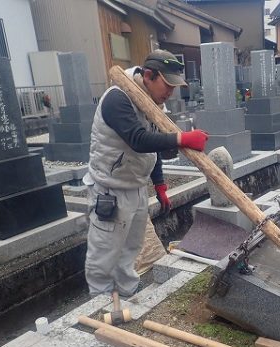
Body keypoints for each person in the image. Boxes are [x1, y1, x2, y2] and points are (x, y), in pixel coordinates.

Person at [83, 49, 209, 298]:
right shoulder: (117, 99)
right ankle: (99, 303)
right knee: (105, 252)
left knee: (131, 248)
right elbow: (138, 140)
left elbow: (153, 149)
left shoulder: (152, 101)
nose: (171, 92)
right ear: (149, 75)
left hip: (136, 186)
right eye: (167, 85)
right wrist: (182, 138)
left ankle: (128, 293)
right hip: (111, 188)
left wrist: (160, 185)